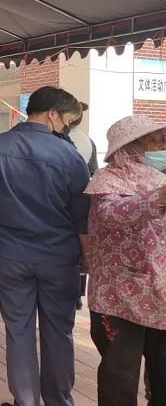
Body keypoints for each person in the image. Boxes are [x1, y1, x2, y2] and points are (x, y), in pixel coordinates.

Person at [0, 86, 90, 406]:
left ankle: (26, 400)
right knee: (58, 333)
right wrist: (86, 256)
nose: (67, 129)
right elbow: (83, 215)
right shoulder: (69, 155)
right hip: (60, 258)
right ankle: (59, 401)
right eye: (68, 122)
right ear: (52, 114)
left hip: (11, 256)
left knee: (18, 331)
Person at [83, 115, 166, 406]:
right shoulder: (107, 179)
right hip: (120, 296)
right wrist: (156, 201)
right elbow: (111, 214)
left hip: (161, 293)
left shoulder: (162, 176)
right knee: (120, 375)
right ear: (131, 146)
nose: (164, 146)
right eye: (158, 140)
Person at [66, 102, 98, 310]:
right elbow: (93, 171)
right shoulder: (88, 141)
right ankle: (77, 294)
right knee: (81, 243)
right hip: (82, 200)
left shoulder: (58, 139)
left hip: (61, 202)